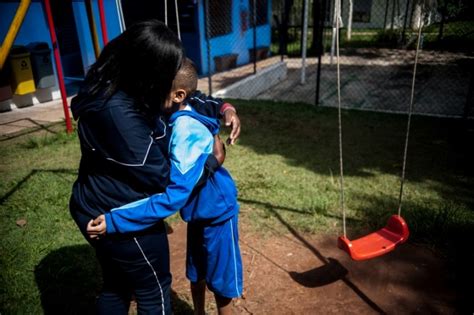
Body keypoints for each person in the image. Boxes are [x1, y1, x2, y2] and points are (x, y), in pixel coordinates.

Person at [69, 20, 241, 315]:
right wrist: (212, 161)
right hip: (117, 210)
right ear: (148, 70)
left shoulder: (110, 83)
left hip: (94, 199)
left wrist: (225, 108)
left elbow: (191, 95)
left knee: (118, 286)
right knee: (153, 291)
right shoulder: (121, 115)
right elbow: (168, 184)